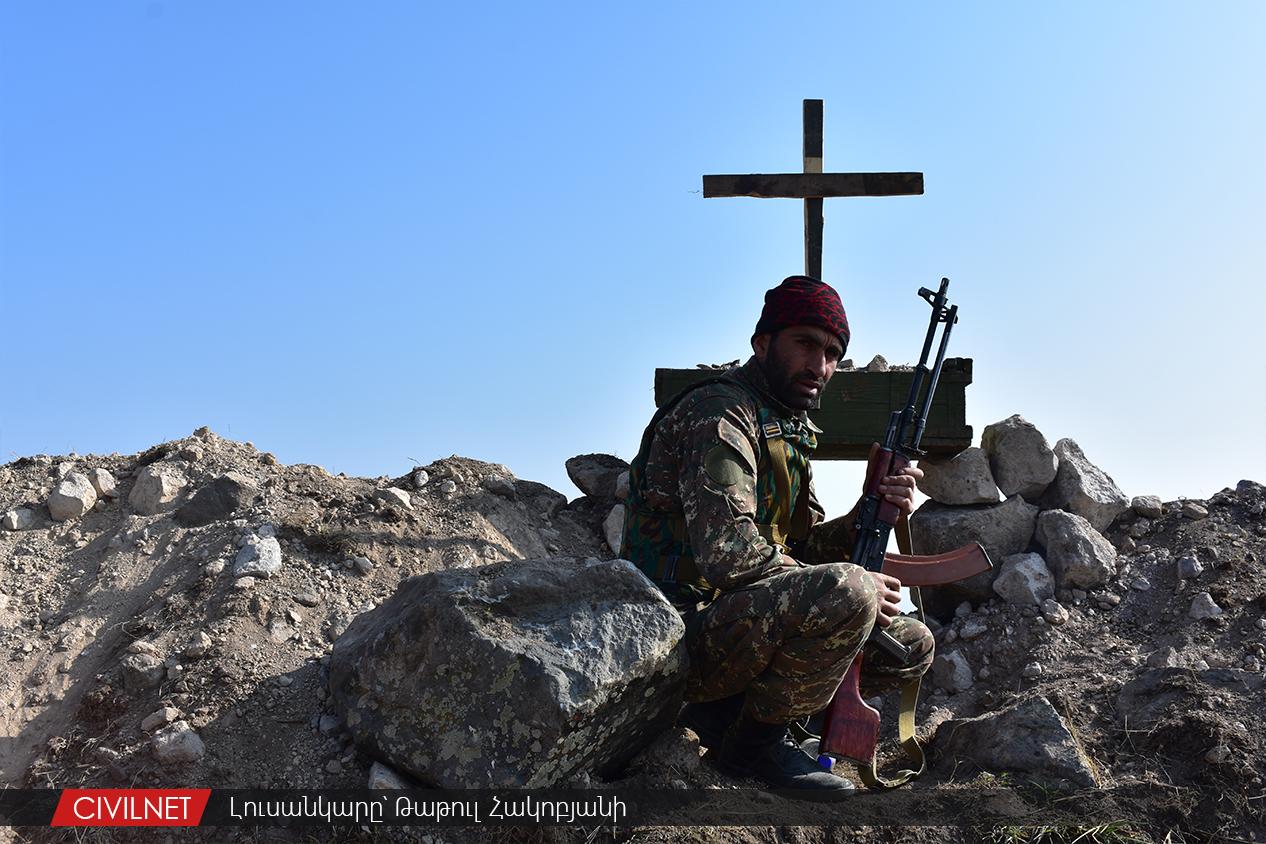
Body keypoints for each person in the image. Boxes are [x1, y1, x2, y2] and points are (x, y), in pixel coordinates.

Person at [622, 275, 933, 797]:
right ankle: (751, 749)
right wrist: (848, 585)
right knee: (849, 593)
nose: (821, 365)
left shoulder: (786, 429)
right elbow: (728, 554)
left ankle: (742, 717)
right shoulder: (720, 413)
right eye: (806, 344)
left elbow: (804, 547)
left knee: (909, 646)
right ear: (762, 343)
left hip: (738, 628)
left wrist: (865, 517)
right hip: (672, 633)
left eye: (833, 352)